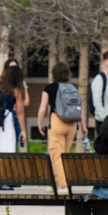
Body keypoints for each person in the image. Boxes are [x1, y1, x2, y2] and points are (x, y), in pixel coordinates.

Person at [37, 62, 82, 190]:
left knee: (57, 156)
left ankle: (64, 186)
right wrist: (83, 126)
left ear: (53, 74)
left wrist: (40, 123)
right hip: (72, 124)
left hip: (57, 122)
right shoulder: (73, 88)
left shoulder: (49, 88)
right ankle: (53, 183)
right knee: (63, 155)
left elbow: (42, 109)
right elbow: (80, 108)